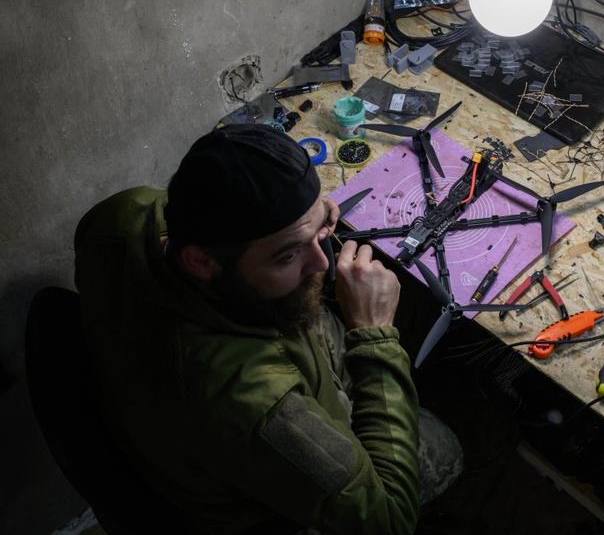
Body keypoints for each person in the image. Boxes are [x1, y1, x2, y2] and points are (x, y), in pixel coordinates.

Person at [74, 124, 461, 534]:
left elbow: (232, 205)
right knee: (444, 446)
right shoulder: (256, 402)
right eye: (288, 255)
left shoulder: (123, 216)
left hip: (182, 414)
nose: (323, 262)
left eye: (318, 230)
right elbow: (389, 521)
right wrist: (374, 334)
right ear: (202, 261)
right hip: (256, 508)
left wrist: (300, 217)